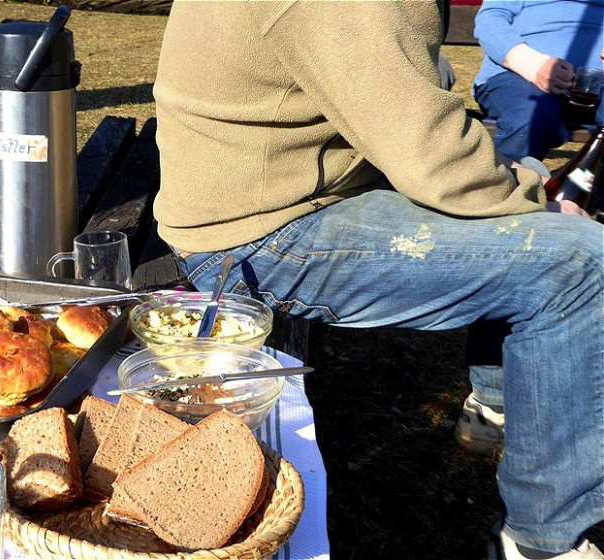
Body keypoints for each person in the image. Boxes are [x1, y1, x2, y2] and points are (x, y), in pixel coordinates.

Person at [152, 1, 603, 559]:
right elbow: (430, 155)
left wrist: (514, 183)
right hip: (255, 236)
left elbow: (405, 112)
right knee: (583, 265)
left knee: (533, 243)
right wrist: (533, 196)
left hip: (276, 193)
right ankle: (544, 542)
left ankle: (497, 406)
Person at [457, 0, 603, 454]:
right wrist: (532, 63)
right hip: (520, 78)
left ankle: (572, 209)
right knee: (517, 214)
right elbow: (490, 18)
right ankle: (492, 393)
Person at [472, 0, 604, 162]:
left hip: (596, 85)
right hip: (519, 75)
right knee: (533, 115)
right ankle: (502, 184)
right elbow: (490, 19)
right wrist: (534, 66)